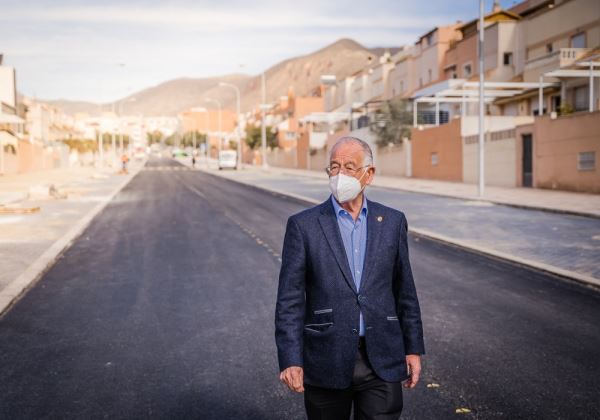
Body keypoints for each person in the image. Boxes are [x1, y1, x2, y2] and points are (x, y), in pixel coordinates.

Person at [275, 136, 425, 420]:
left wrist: (413, 348)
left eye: (349, 167)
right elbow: (290, 300)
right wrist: (291, 358)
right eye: (334, 167)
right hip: (325, 359)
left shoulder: (392, 222)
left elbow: (404, 290)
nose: (340, 174)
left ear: (369, 174)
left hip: (381, 358)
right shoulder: (303, 225)